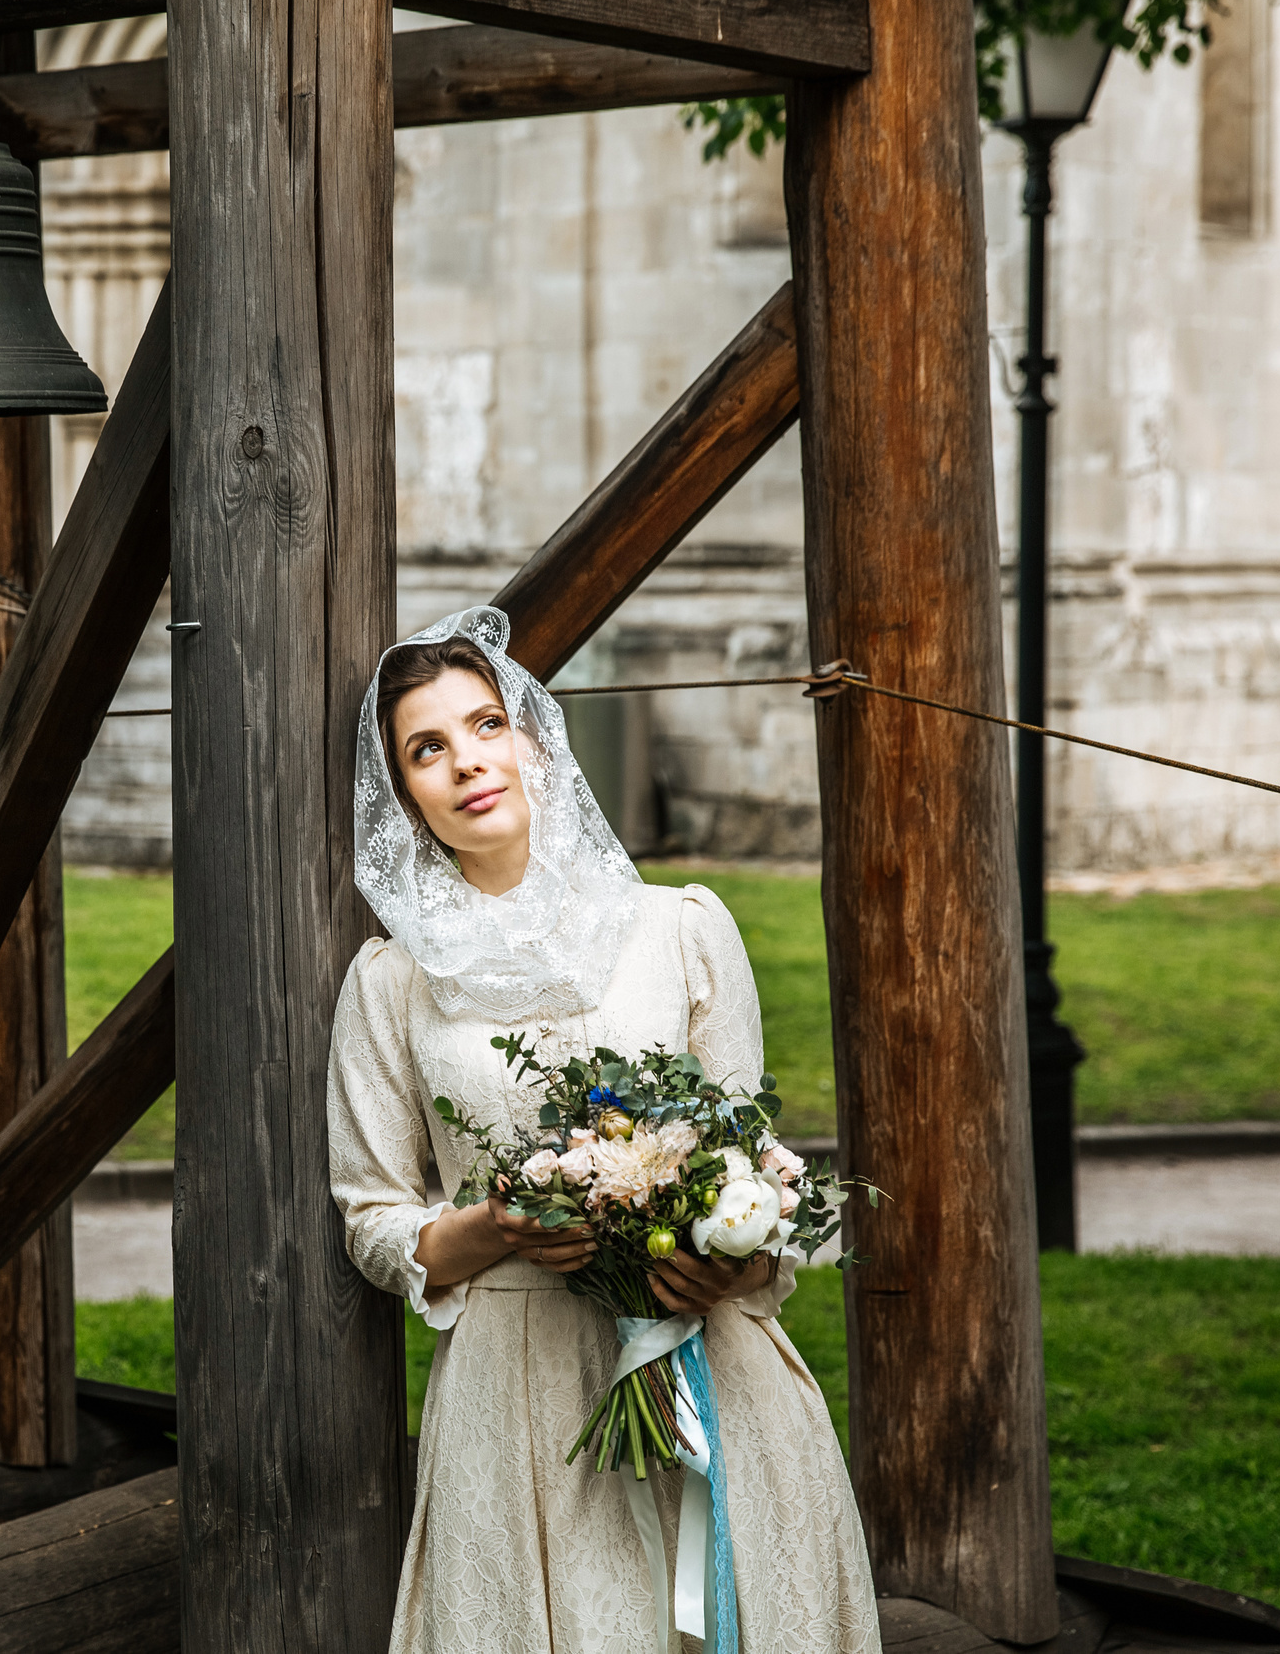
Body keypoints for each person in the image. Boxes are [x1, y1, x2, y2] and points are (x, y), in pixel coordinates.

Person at [328, 606, 880, 1654]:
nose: (466, 762)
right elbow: (371, 1216)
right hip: (515, 1388)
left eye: (486, 725)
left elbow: (750, 1157)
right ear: (404, 798)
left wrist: (727, 1259)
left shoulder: (680, 929)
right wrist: (493, 1228)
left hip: (705, 1355)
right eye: (426, 750)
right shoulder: (391, 984)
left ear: (534, 741)